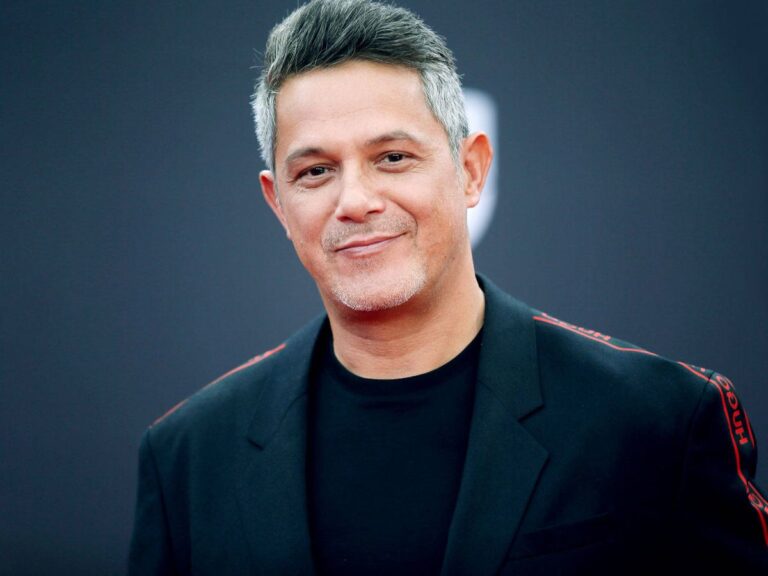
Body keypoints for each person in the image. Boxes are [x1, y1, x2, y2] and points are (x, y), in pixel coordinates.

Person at [128, 0, 768, 573]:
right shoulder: (189, 456)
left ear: (471, 170)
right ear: (278, 204)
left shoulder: (658, 421)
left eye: (392, 158)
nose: (355, 201)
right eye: (316, 171)